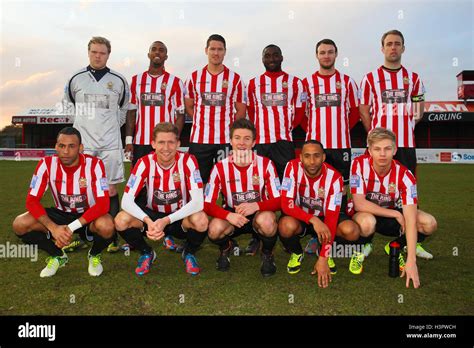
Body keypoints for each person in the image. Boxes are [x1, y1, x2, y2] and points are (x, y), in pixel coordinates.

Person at [12, 127, 114, 277]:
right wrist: (53, 228)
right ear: (56, 146)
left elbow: (103, 204)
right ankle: (57, 255)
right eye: (61, 146)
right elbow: (32, 201)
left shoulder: (95, 165)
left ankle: (94, 254)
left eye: (71, 146)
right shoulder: (46, 164)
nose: (66, 151)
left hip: (88, 216)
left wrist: (69, 229)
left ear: (81, 148)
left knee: (107, 225)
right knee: (19, 224)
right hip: (61, 214)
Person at [64, 36, 130, 253]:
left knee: (110, 189)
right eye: (94, 52)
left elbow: (122, 113)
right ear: (88, 52)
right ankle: (79, 235)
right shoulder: (76, 78)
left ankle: (111, 238)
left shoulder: (119, 80)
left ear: (108, 54)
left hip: (110, 145)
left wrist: (107, 127)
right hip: (84, 147)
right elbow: (69, 108)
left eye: (102, 52)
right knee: (80, 190)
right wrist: (84, 129)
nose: (98, 56)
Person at [114, 123, 208, 276]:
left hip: (179, 217)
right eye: (161, 142)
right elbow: (126, 201)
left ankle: (189, 252)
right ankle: (146, 252)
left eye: (171, 142)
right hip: (153, 217)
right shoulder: (143, 162)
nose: (166, 147)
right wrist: (148, 221)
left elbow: (198, 202)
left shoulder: (188, 161)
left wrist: (166, 220)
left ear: (178, 144)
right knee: (121, 220)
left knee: (201, 219)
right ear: (153, 144)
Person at [350, 128, 437, 288]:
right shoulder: (359, 164)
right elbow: (359, 203)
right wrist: (395, 214)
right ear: (369, 150)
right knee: (367, 222)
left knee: (428, 223)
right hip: (368, 213)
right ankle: (362, 247)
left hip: (395, 217)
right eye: (377, 149)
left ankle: (396, 245)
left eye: (387, 149)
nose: (382, 154)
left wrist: (412, 260)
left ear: (395, 150)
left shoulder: (406, 176)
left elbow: (410, 219)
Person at [125, 40, 186, 252]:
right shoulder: (136, 81)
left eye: (162, 50)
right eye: (154, 49)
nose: (157, 53)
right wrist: (129, 141)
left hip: (166, 144)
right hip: (142, 142)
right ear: (148, 54)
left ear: (166, 56)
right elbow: (131, 111)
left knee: (168, 187)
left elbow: (180, 113)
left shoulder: (175, 82)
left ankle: (168, 231)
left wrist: (174, 142)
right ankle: (140, 229)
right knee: (139, 190)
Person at [301, 39, 360, 256]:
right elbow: (301, 114)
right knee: (313, 191)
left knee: (340, 193)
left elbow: (354, 113)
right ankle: (315, 236)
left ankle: (333, 234)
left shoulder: (348, 82)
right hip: (315, 147)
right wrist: (315, 133)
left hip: (341, 145)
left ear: (336, 54)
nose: (326, 56)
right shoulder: (306, 83)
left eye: (330, 52)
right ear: (316, 55)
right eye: (322, 52)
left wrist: (339, 128)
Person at [245, 44, 305, 255]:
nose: (271, 58)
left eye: (275, 55)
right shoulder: (253, 84)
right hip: (261, 144)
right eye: (267, 55)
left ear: (282, 57)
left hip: (283, 143)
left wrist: (285, 128)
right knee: (259, 189)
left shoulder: (295, 83)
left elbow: (299, 112)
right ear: (262, 59)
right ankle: (258, 235)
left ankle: (289, 233)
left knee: (287, 189)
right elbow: (251, 112)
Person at [279, 140, 362, 288]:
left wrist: (323, 258)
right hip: (301, 216)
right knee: (285, 226)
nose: (312, 161)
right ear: (301, 158)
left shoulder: (335, 178)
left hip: (325, 218)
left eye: (316, 156)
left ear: (323, 157)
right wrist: (312, 220)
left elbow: (330, 219)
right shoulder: (291, 167)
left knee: (351, 231)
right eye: (307, 156)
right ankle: (297, 252)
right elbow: (287, 205)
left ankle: (324, 250)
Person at [204, 118, 281, 277]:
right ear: (230, 141)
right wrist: (228, 215)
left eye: (247, 138)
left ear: (254, 142)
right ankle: (226, 248)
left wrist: (256, 206)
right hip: (233, 215)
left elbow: (280, 200)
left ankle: (267, 253)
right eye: (237, 138)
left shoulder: (266, 164)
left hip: (259, 213)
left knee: (267, 222)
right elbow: (207, 204)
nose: (241, 143)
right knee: (214, 229)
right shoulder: (219, 168)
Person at [359, 29, 425, 175]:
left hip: (405, 144)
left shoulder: (414, 78)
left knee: (405, 189)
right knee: (376, 189)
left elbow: (418, 111)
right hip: (378, 145)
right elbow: (363, 111)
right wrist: (375, 132)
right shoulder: (369, 78)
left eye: (397, 44)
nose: (393, 47)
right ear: (383, 49)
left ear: (403, 48)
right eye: (389, 44)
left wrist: (406, 125)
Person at [184, 34, 246, 185]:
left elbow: (241, 111)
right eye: (212, 49)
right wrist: (200, 120)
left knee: (228, 182)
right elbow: (189, 106)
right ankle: (199, 209)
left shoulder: (235, 79)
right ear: (206, 50)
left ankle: (227, 209)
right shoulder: (194, 77)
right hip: (200, 140)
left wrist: (229, 127)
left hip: (225, 141)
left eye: (220, 49)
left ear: (225, 52)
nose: (216, 53)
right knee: (198, 184)